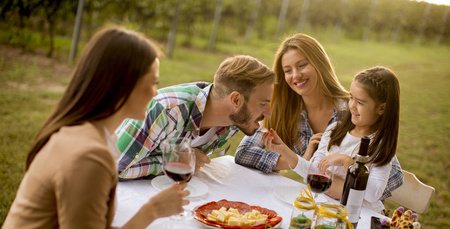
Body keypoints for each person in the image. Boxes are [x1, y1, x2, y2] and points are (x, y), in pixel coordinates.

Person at [0, 26, 189, 229]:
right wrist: (151, 211)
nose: (155, 94)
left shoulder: (81, 130)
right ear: (121, 84)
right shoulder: (91, 156)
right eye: (153, 82)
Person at [234, 33, 402, 202]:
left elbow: (393, 175)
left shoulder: (351, 111)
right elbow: (244, 153)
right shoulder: (282, 111)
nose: (296, 75)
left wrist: (341, 180)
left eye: (302, 65)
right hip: (316, 200)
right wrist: (298, 160)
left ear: (319, 64)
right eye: (288, 71)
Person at [263, 66, 401, 213]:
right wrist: (283, 149)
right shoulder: (335, 130)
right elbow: (314, 172)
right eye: (351, 98)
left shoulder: (380, 146)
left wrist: (347, 163)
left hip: (362, 216)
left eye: (360, 102)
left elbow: (373, 194)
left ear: (381, 108)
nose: (352, 106)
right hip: (328, 208)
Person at [116, 55, 275, 180]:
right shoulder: (166, 111)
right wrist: (176, 161)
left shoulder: (233, 122)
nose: (268, 112)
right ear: (236, 100)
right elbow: (114, 168)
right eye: (263, 104)